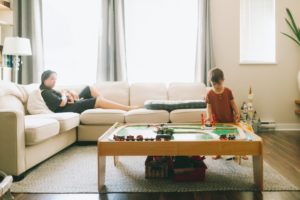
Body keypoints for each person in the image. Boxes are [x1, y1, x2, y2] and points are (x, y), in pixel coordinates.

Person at [40, 70, 137, 113]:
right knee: (97, 100)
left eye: (55, 79)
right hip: (64, 110)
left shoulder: (51, 90)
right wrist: (63, 94)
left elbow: (64, 99)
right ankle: (127, 109)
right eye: (52, 79)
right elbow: (61, 103)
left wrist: (69, 93)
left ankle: (103, 104)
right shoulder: (45, 92)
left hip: (70, 104)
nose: (55, 81)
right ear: (45, 80)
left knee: (89, 88)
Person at [205, 67, 240, 160]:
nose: (216, 86)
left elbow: (233, 103)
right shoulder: (209, 94)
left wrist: (237, 113)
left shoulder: (228, 91)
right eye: (214, 84)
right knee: (218, 138)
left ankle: (234, 152)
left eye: (219, 83)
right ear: (210, 82)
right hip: (217, 121)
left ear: (223, 80)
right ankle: (218, 153)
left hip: (228, 120)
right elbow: (209, 107)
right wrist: (209, 117)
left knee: (231, 137)